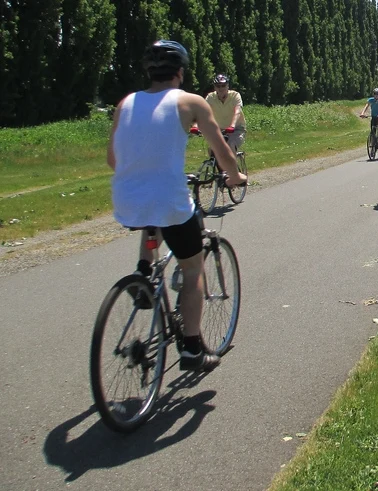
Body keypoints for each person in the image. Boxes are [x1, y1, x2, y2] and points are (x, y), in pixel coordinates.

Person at [107, 40, 246, 371]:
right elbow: (222, 152)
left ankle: (143, 275)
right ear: (180, 72)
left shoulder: (125, 103)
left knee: (151, 218)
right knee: (193, 267)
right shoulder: (191, 102)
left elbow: (113, 159)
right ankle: (193, 349)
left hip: (126, 200)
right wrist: (235, 176)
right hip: (169, 201)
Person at [204, 74, 246, 151]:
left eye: (223, 85)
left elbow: (237, 111)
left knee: (230, 145)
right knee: (212, 149)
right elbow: (203, 112)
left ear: (228, 86)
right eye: (218, 86)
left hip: (236, 129)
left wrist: (232, 126)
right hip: (219, 130)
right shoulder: (210, 97)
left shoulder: (235, 95)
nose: (221, 88)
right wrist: (196, 126)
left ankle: (232, 159)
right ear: (215, 87)